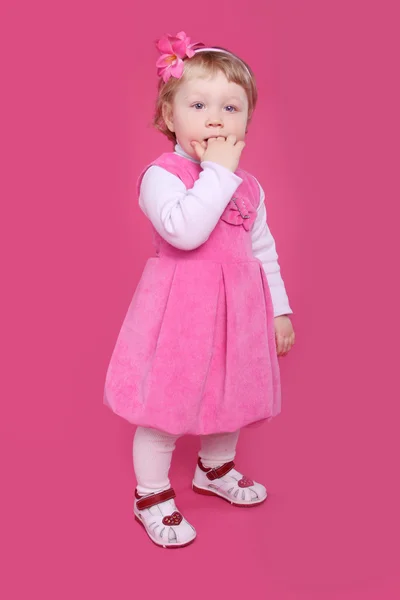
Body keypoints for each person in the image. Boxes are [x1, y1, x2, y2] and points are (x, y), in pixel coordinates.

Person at [104, 31, 295, 548]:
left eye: (231, 107)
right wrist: (217, 172)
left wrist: (279, 310)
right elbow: (184, 231)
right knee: (165, 406)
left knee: (230, 396)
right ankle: (150, 493)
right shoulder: (162, 175)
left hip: (237, 314)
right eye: (198, 103)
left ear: (246, 122)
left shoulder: (249, 187)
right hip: (181, 316)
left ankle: (213, 470)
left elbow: (263, 251)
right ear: (169, 117)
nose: (216, 117)